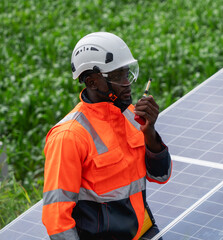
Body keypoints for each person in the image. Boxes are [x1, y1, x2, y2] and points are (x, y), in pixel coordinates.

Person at [42, 32, 172, 240]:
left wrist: (150, 133)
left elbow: (161, 176)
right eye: (118, 76)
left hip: (145, 232)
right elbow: (57, 219)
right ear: (93, 82)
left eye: (127, 73)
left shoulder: (130, 114)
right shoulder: (68, 137)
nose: (127, 82)